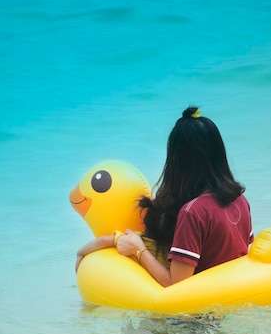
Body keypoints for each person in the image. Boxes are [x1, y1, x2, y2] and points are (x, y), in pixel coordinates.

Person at [76, 106, 253, 287]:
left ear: (178, 161)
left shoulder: (192, 212)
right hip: (233, 298)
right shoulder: (240, 201)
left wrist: (139, 250)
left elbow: (176, 285)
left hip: (200, 312)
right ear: (218, 154)